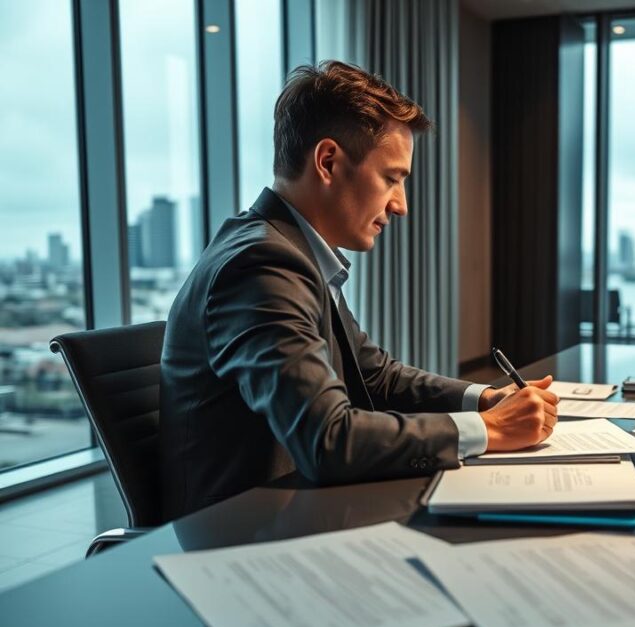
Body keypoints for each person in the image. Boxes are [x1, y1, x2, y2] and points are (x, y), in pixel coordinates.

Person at [159, 61, 558, 519]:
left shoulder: (292, 250)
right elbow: (328, 441)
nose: (401, 205)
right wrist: (486, 429)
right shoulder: (261, 265)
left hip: (294, 510)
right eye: (391, 178)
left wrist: (485, 399)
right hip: (238, 539)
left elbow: (374, 376)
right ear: (328, 162)